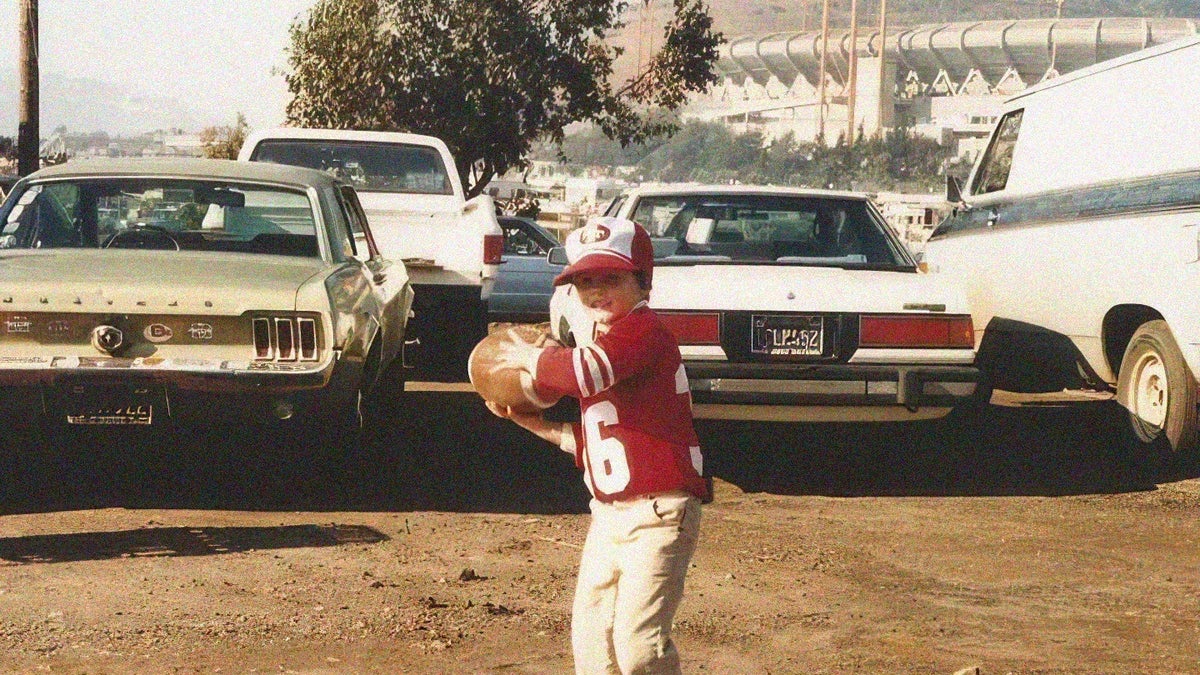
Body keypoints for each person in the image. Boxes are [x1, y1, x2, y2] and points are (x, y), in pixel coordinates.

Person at [486, 216, 709, 675]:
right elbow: (594, 443)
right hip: (609, 515)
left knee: (638, 648)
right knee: (592, 641)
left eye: (611, 278)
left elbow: (579, 374)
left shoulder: (642, 332)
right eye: (584, 281)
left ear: (642, 281)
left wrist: (528, 355)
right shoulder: (601, 346)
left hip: (660, 513)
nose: (596, 291)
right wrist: (529, 422)